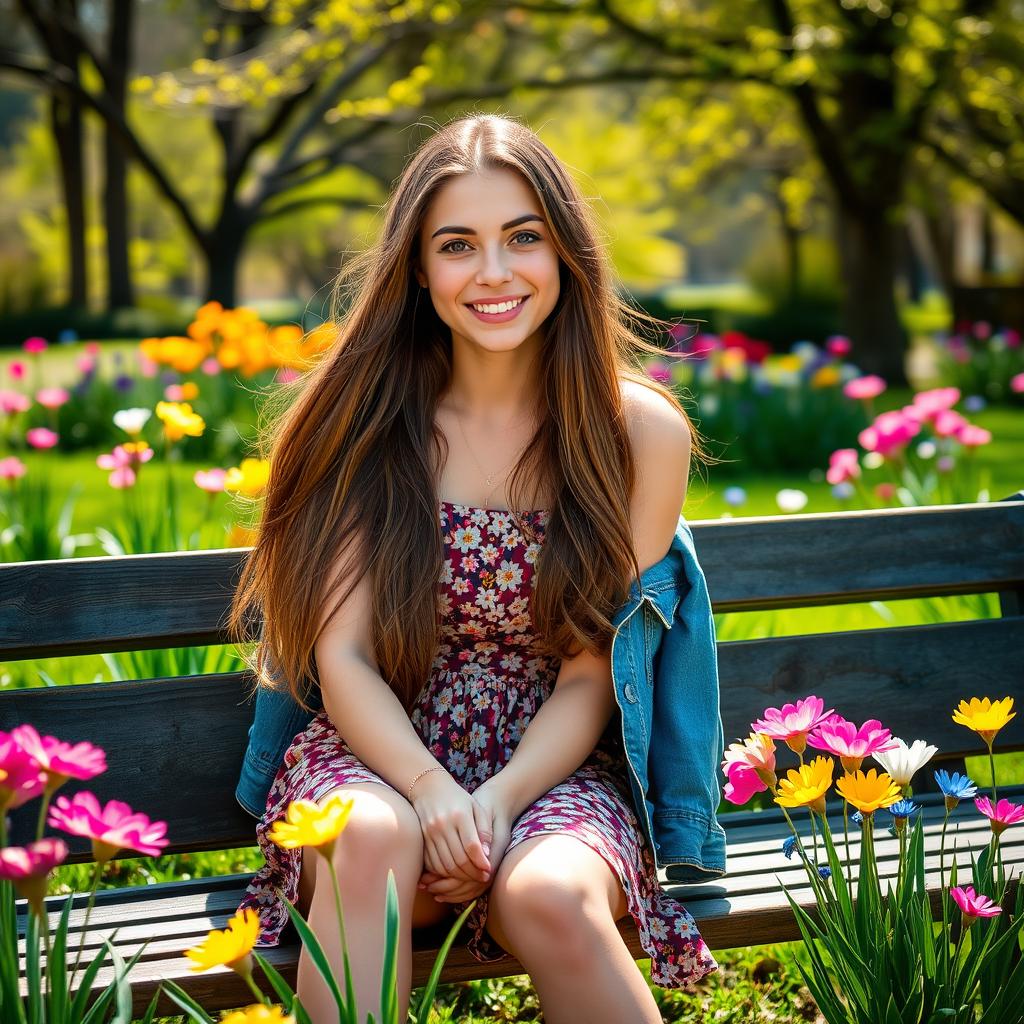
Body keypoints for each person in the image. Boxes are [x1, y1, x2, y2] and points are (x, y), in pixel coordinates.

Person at [228, 112, 720, 1024]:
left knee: (550, 896)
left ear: (566, 252)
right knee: (366, 841)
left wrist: (493, 802)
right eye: (459, 245)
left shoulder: (635, 434)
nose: (494, 274)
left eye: (522, 237)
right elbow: (344, 658)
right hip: (376, 754)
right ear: (419, 269)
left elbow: (591, 671)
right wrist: (429, 793)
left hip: (553, 769)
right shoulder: (370, 424)